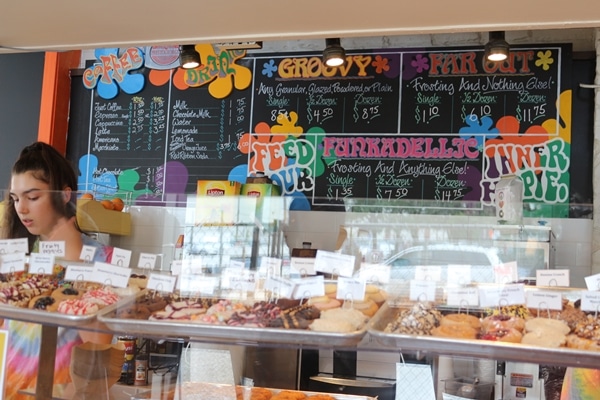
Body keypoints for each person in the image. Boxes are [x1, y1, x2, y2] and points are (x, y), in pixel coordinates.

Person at [1, 141, 113, 399]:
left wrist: (75, 270)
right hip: (10, 390)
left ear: (65, 196)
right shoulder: (20, 260)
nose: (21, 209)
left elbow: (97, 349)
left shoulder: (101, 260)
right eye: (16, 199)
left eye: (33, 197)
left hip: (64, 392)